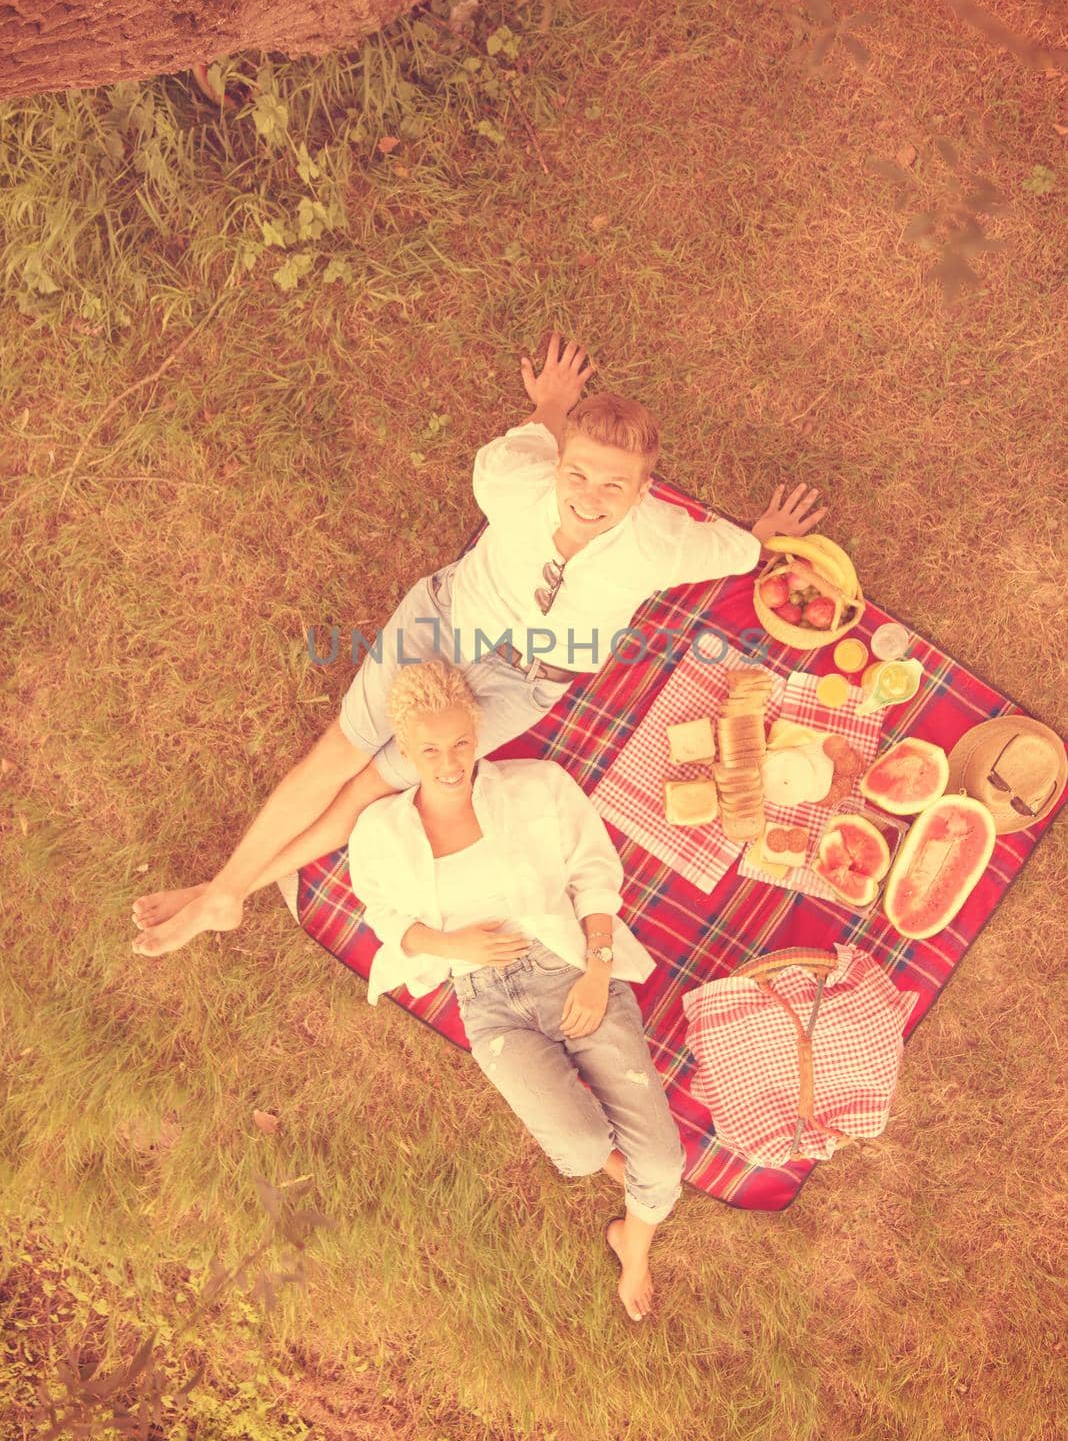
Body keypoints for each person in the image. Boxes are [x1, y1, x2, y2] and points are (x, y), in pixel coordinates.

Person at [132, 332, 824, 956]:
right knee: (340, 749)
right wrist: (553, 401)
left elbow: (735, 551)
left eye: (616, 486)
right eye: (576, 474)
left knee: (375, 784)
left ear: (647, 492)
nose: (589, 497)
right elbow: (533, 435)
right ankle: (224, 890)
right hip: (442, 623)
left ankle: (227, 895)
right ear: (557, 465)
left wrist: (764, 530)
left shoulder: (665, 542)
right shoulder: (510, 479)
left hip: (523, 684)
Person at [352, 658, 684, 1322]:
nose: (449, 764)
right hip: (489, 1005)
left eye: (460, 744)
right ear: (404, 749)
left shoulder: (539, 787)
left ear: (478, 734)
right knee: (583, 1152)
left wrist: (596, 971)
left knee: (668, 1163)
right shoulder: (379, 832)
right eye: (428, 750)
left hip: (566, 965)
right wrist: (453, 946)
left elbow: (594, 876)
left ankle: (634, 1245)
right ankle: (630, 1180)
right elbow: (385, 918)